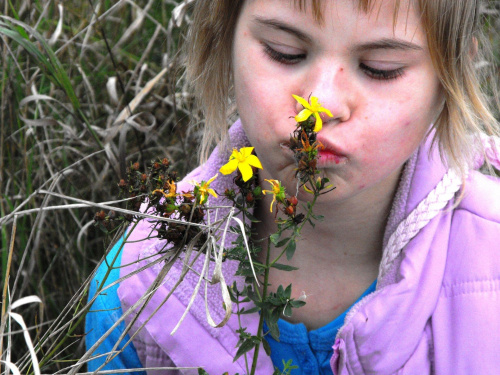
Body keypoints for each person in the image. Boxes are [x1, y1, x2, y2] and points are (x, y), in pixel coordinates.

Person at [85, 0, 500, 374]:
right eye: (286, 52)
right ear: (224, 38)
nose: (318, 107)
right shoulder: (139, 281)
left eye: (380, 66)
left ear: (450, 77)